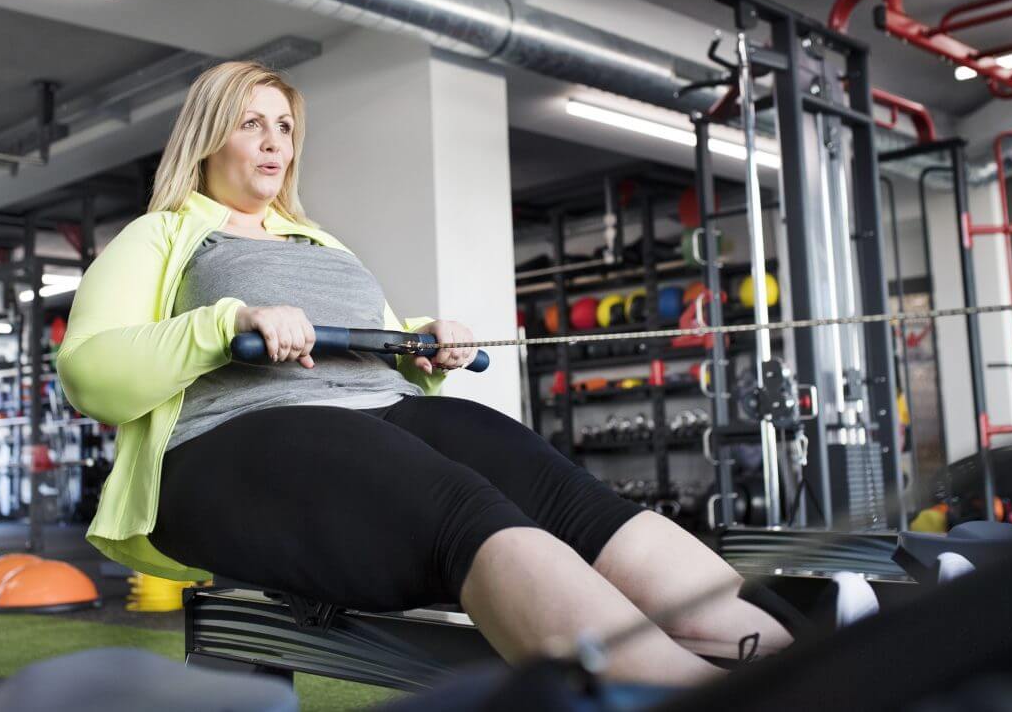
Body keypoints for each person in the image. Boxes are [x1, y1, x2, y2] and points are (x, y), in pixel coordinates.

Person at [57, 61, 792, 686]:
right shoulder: (160, 235)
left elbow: (374, 338)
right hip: (229, 442)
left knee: (566, 498)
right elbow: (88, 370)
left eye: (283, 126)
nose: (274, 141)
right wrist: (227, 322)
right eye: (251, 123)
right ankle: (698, 693)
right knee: (463, 507)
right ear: (207, 134)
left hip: (378, 403)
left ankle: (783, 656)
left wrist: (420, 342)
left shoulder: (318, 240)